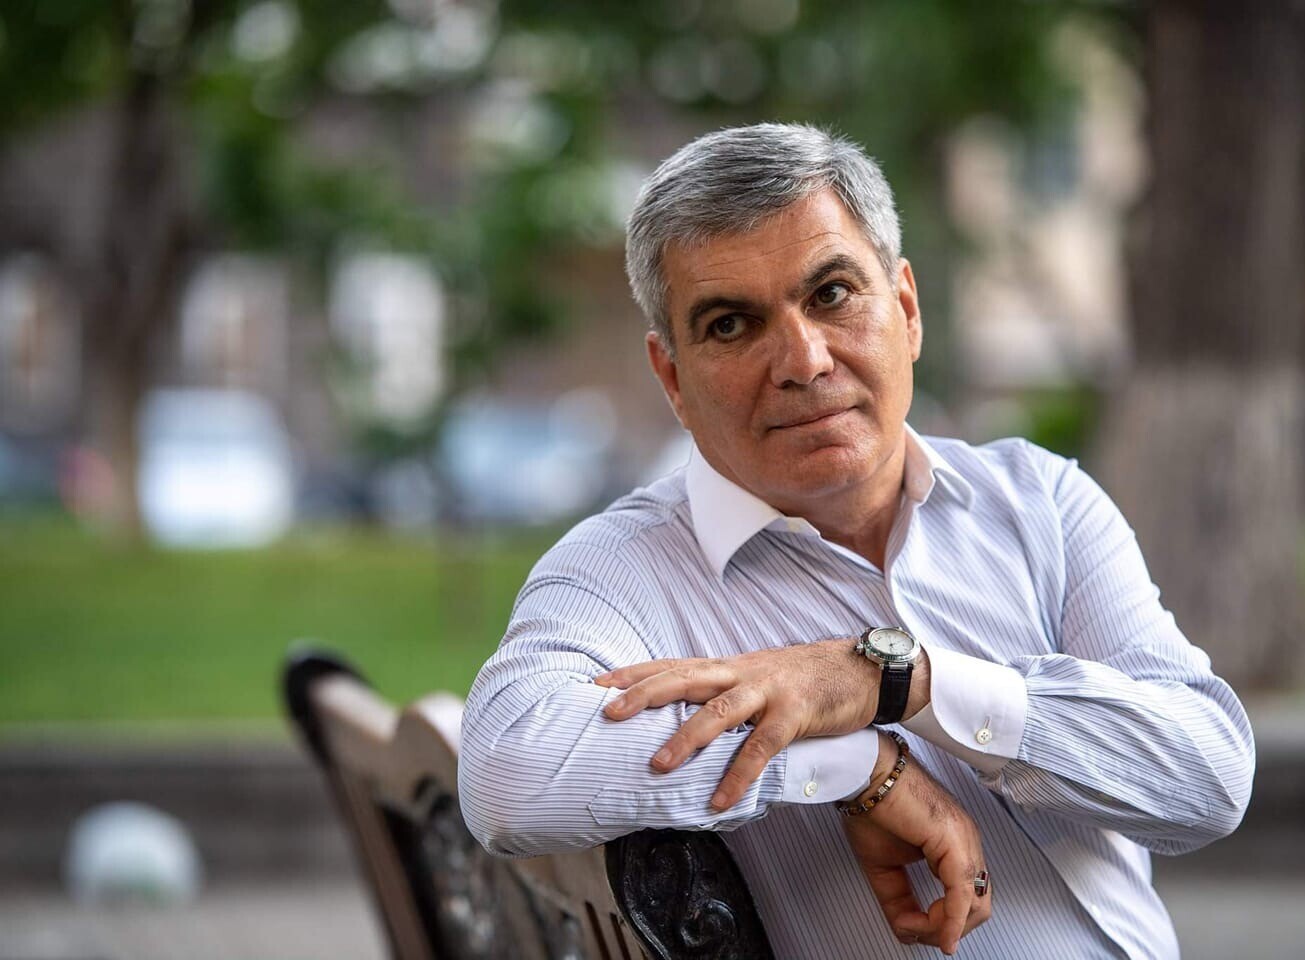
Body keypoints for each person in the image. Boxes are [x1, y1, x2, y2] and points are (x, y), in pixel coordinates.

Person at [459, 123, 1254, 959]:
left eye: (832, 294)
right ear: (672, 379)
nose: (803, 361)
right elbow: (509, 771)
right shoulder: (623, 570)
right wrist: (854, 765)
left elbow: (1206, 774)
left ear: (906, 310)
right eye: (730, 325)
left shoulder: (1041, 501)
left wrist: (896, 681)